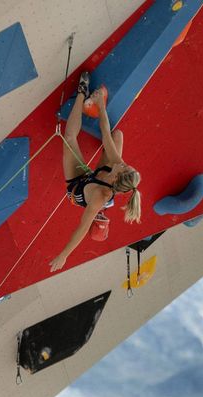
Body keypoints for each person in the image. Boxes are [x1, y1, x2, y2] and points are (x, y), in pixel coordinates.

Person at [50, 72, 141, 272]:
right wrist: (100, 104)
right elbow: (107, 132)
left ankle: (81, 92)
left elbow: (82, 229)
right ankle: (91, 101)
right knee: (118, 135)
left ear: (119, 175)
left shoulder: (100, 197)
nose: (125, 162)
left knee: (69, 137)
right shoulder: (118, 165)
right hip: (102, 176)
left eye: (126, 167)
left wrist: (63, 255)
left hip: (79, 188)